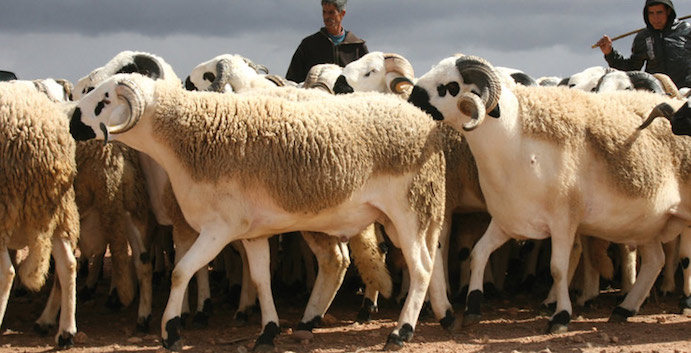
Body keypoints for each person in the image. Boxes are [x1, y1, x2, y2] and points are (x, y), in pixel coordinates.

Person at [595, 0, 691, 89]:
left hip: (686, 92)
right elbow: (631, 68)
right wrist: (610, 53)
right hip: (657, 93)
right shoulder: (643, 37)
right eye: (651, 13)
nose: (655, 18)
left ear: (668, 11)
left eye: (659, 12)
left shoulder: (686, 30)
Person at [285, 0, 368, 83]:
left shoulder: (357, 47)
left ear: (342, 14)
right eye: (324, 12)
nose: (326, 17)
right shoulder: (308, 45)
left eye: (331, 12)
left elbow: (368, 81)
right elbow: (292, 81)